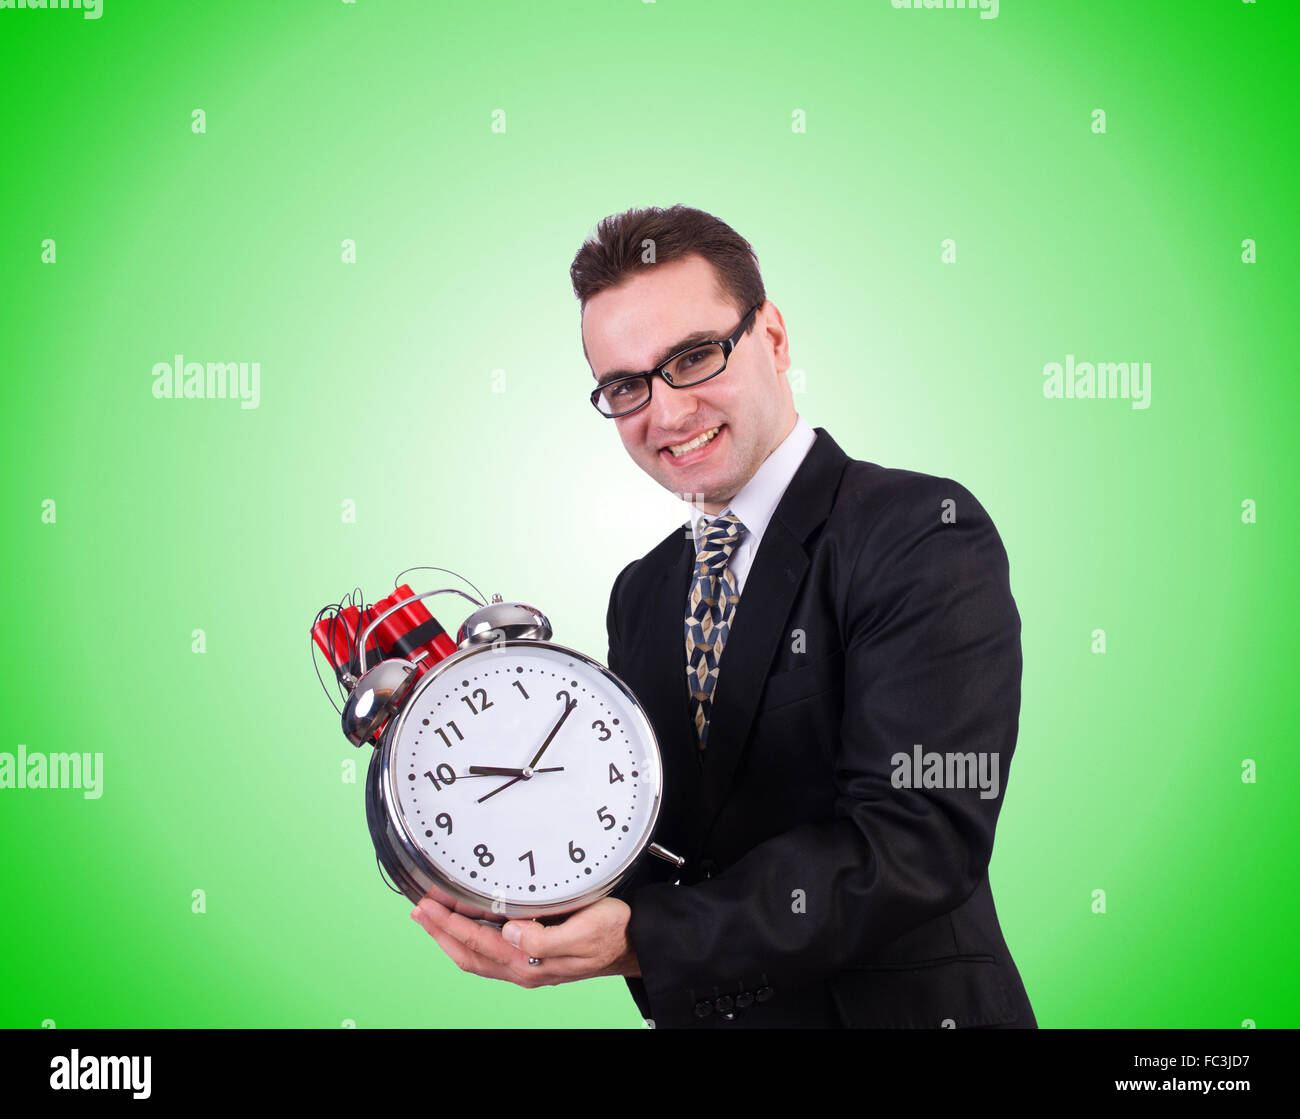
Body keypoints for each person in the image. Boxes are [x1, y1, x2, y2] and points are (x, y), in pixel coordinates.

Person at [409, 204, 1036, 1029]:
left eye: (695, 357)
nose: (667, 415)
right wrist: (494, 850)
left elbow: (918, 839)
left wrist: (644, 939)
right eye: (626, 385)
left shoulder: (916, 530)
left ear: (772, 338)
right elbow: (647, 837)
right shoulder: (644, 592)